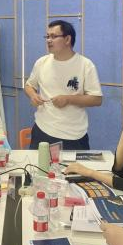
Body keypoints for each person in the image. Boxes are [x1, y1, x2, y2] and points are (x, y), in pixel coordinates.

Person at [24, 20, 102, 150]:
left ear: (67, 39)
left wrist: (68, 99)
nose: (49, 40)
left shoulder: (85, 65)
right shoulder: (41, 62)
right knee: (38, 163)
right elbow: (29, 85)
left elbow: (97, 99)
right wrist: (33, 95)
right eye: (47, 36)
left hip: (74, 135)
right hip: (43, 130)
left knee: (74, 165)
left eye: (53, 36)